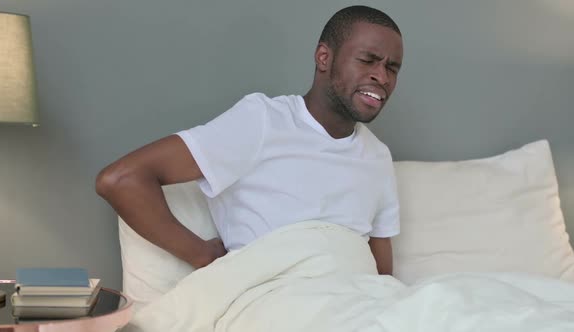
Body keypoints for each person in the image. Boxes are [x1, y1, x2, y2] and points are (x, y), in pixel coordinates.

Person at [96, 5, 403, 275]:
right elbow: (120, 179)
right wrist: (203, 254)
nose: (383, 77)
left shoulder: (377, 156)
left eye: (392, 67)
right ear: (324, 57)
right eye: (368, 60)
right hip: (279, 299)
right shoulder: (263, 121)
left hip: (358, 302)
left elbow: (382, 275)